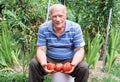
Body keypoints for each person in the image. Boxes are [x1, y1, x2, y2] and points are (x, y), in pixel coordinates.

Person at [29, 4, 89, 82]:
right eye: (54, 16)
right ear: (50, 16)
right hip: (50, 59)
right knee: (34, 63)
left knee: (83, 67)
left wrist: (73, 64)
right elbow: (40, 49)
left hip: (69, 59)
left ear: (66, 15)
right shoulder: (43, 28)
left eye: (60, 16)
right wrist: (44, 64)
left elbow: (80, 50)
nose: (58, 19)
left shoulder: (75, 27)